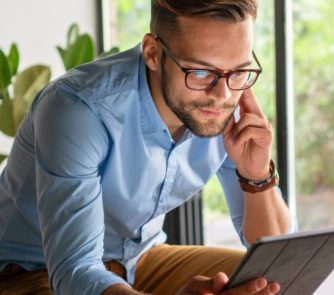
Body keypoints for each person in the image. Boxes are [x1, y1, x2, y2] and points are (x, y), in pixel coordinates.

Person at [0, 0, 295, 294]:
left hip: (139, 260)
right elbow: (75, 272)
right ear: (153, 53)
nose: (223, 94)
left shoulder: (229, 102)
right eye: (201, 73)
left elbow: (278, 257)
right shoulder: (78, 109)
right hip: (31, 270)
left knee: (272, 285)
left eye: (239, 71)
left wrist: (256, 175)